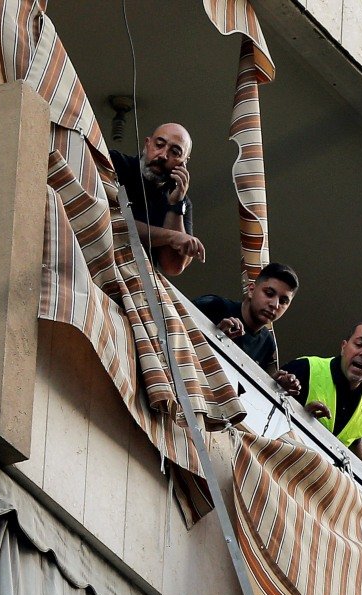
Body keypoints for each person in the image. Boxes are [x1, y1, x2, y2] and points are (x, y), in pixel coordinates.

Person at [283, 324, 362, 494]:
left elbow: (355, 438)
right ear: (344, 347)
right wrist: (299, 414)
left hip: (314, 486)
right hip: (282, 466)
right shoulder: (306, 367)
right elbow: (263, 401)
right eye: (359, 344)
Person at [108, 123, 205, 277]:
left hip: (135, 282)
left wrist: (176, 204)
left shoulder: (182, 202)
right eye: (159, 145)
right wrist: (171, 237)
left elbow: (172, 266)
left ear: (184, 162)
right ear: (147, 144)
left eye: (175, 152)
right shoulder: (115, 163)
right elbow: (110, 223)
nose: (163, 155)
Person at [194, 263, 302, 395]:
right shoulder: (214, 306)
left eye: (283, 301)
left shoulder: (267, 344)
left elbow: (247, 395)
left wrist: (274, 387)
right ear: (251, 290)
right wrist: (213, 336)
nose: (275, 304)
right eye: (269, 293)